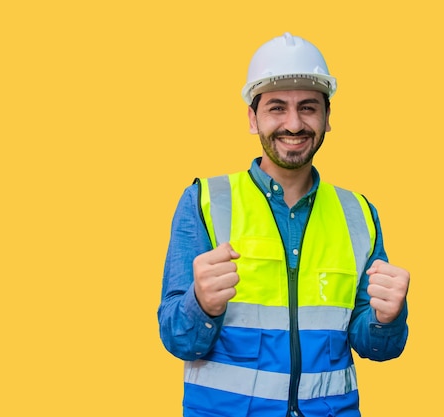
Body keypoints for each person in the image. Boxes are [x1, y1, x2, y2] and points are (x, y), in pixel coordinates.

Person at [158, 32, 410, 417]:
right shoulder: (205, 201)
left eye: (308, 107)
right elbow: (177, 339)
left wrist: (386, 319)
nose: (294, 124)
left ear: (327, 118)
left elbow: (377, 348)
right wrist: (201, 305)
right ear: (252, 118)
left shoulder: (359, 212)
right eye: (277, 108)